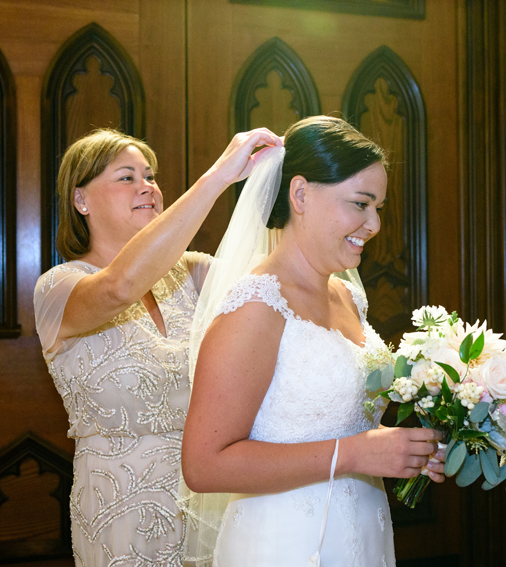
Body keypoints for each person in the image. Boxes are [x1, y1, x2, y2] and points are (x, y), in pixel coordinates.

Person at [182, 116, 445, 567]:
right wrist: (357, 453)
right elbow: (204, 465)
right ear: (300, 194)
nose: (374, 224)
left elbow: (341, 421)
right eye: (360, 204)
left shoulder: (344, 294)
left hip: (360, 531)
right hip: (285, 543)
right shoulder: (256, 306)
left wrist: (404, 449)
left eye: (379, 207)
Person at [33, 127, 280, 567]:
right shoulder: (59, 289)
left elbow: (279, 291)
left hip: (213, 499)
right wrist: (220, 176)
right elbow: (118, 288)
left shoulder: (195, 274)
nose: (147, 186)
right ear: (81, 200)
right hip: (120, 510)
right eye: (126, 177)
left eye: (150, 175)